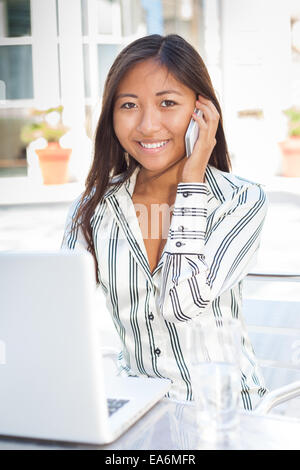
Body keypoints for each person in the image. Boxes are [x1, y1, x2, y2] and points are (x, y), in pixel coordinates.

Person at [62, 34, 268, 409]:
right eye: (129, 105)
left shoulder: (240, 201)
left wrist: (192, 181)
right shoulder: (94, 209)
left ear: (202, 111)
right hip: (139, 412)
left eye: (167, 103)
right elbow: (57, 315)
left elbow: (181, 304)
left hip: (224, 414)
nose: (147, 125)